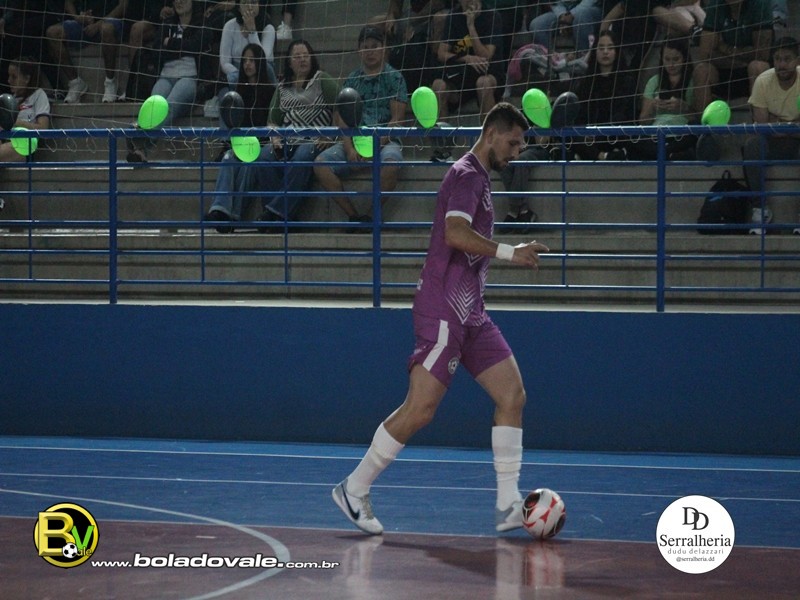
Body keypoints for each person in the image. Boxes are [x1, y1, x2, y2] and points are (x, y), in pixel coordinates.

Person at [331, 102, 550, 536]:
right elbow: (454, 233)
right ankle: (354, 488)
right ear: (491, 133)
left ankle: (508, 504)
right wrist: (511, 252)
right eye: (513, 143)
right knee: (421, 409)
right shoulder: (466, 175)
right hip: (444, 310)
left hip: (472, 314)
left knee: (512, 395)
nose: (516, 152)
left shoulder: (480, 178)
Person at [313, 26, 407, 226]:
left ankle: (371, 216)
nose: (370, 51)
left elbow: (397, 120)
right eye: (365, 47)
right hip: (353, 139)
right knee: (320, 164)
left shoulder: (395, 78)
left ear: (384, 48)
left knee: (391, 164)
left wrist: (374, 146)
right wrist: (349, 148)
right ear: (359, 50)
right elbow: (343, 119)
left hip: (386, 140)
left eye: (374, 46)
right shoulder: (352, 80)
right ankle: (354, 216)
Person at [126, 0, 212, 162]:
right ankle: (141, 151)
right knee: (154, 104)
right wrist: (182, 47)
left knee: (169, 105)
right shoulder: (167, 24)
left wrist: (170, 43)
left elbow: (196, 45)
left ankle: (140, 139)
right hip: (166, 76)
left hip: (189, 78)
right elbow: (158, 50)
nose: (179, 2)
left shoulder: (202, 24)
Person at [204, 43, 275, 232]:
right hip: (241, 144)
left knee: (248, 166)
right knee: (228, 158)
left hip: (262, 145)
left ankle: (232, 216)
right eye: (245, 60)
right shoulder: (238, 93)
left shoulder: (271, 91)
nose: (247, 64)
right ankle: (219, 209)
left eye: (252, 60)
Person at [742, 36, 800, 233]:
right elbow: (761, 126)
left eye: (787, 59)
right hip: (772, 143)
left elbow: (769, 124)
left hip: (796, 144)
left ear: (797, 60)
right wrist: (793, 124)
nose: (781, 64)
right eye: (777, 59)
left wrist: (776, 121)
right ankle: (760, 209)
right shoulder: (763, 81)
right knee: (752, 145)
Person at [626, 36, 709, 161]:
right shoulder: (654, 81)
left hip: (682, 133)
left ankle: (662, 154)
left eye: (676, 59)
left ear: (684, 58)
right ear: (662, 59)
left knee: (695, 131)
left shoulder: (694, 82)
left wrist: (684, 107)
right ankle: (670, 154)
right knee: (631, 137)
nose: (671, 64)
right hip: (656, 135)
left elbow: (701, 119)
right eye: (667, 59)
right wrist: (652, 107)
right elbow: (643, 122)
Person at [430, 0, 505, 124]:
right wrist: (466, 58)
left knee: (483, 83)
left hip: (487, 72)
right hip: (461, 75)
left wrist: (471, 25)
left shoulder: (491, 16)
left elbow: (485, 55)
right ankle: (443, 134)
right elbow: (441, 53)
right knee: (438, 85)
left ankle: (488, 134)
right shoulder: (454, 16)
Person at [692, 0, 773, 112]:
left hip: (749, 71)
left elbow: (762, 54)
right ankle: (703, 121)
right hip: (725, 70)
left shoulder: (760, 4)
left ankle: (760, 121)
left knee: (757, 67)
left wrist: (725, 48)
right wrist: (742, 57)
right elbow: (706, 54)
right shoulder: (715, 5)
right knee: (702, 70)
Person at [571, 28, 637, 160]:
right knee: (572, 135)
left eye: (610, 48)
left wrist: (601, 133)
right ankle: (602, 156)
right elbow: (579, 116)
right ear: (595, 51)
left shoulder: (627, 81)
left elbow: (627, 116)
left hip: (616, 135)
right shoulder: (585, 83)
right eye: (601, 48)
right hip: (590, 138)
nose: (605, 52)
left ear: (617, 51)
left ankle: (608, 154)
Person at [45, 0, 128, 103]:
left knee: (106, 28)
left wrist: (98, 24)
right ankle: (75, 82)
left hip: (110, 21)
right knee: (52, 32)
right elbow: (68, 2)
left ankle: (110, 82)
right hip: (84, 23)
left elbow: (123, 5)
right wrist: (77, 17)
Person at [0, 56, 51, 163]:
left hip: (25, 144)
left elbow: (43, 129)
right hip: (6, 141)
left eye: (14, 77)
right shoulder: (10, 99)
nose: (9, 81)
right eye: (9, 76)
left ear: (27, 79)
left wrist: (15, 122)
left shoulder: (39, 95)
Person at [218, 0, 276, 90]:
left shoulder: (268, 28)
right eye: (245, 3)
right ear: (239, 7)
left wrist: (252, 32)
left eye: (253, 3)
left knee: (266, 67)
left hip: (262, 73)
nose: (249, 7)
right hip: (236, 73)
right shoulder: (230, 26)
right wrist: (242, 75)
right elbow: (225, 62)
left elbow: (262, 59)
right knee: (225, 91)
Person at [528, 0, 602, 55]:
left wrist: (571, 15)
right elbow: (555, 2)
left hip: (590, 8)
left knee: (580, 17)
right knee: (537, 25)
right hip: (563, 11)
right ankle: (554, 61)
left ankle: (584, 61)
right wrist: (562, 15)